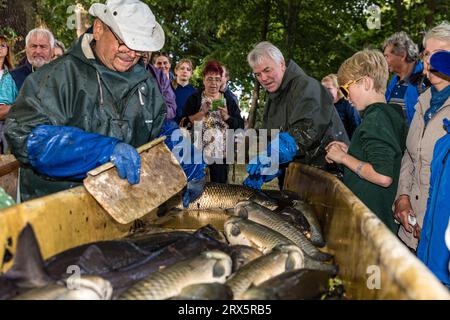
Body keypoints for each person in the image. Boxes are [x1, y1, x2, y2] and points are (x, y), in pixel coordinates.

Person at [5, 0, 205, 206]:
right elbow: (25, 136)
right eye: (124, 42)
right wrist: (99, 151)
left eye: (139, 47)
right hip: (59, 211)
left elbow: (156, 126)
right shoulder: (57, 76)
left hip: (123, 206)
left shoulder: (146, 83)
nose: (132, 53)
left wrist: (179, 146)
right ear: (99, 29)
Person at [243, 41, 349, 190]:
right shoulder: (272, 102)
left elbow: (307, 129)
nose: (264, 78)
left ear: (281, 64)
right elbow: (271, 140)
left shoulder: (307, 86)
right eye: (258, 74)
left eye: (267, 70)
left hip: (327, 179)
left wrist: (276, 151)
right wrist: (269, 168)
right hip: (294, 181)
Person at [325, 49, 407, 233]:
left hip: (372, 224)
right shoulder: (388, 115)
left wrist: (343, 158)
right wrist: (349, 151)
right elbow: (380, 156)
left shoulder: (376, 119)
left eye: (346, 89)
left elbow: (382, 175)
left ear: (366, 82)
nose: (346, 97)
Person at [393, 22, 450, 251]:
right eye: (427, 53)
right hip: (410, 232)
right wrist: (402, 197)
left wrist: (432, 223)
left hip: (441, 242)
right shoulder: (422, 102)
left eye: (440, 54)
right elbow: (410, 155)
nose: (430, 60)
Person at [183, 60, 244, 183]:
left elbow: (240, 125)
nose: (213, 83)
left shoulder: (229, 100)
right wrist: (202, 113)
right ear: (203, 79)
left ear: (221, 81)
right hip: (197, 152)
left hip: (222, 154)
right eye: (210, 79)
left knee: (219, 188)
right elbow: (184, 123)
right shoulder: (194, 99)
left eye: (217, 79)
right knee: (196, 186)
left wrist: (227, 117)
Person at [383, 31, 429, 125]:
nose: (384, 61)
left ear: (402, 55)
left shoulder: (425, 80)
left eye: (387, 56)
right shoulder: (393, 81)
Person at [321, 74, 361, 139]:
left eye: (329, 89)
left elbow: (356, 127)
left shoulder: (347, 104)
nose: (326, 92)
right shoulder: (324, 106)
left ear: (337, 88)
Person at [0, 35, 18, 153]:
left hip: (7, 120)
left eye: (2, 45)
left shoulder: (13, 74)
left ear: (7, 50)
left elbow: (17, 98)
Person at [173, 58, 197, 124]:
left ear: (191, 74)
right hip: (169, 129)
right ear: (176, 71)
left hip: (188, 129)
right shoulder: (168, 89)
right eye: (182, 68)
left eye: (188, 69)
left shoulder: (195, 93)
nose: (185, 71)